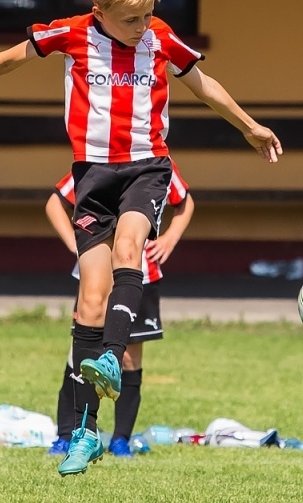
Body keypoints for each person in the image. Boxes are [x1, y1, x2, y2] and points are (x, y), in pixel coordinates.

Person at [0, 0, 282, 477]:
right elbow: (9, 58)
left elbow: (203, 85)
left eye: (145, 16)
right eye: (131, 19)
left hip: (146, 168)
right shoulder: (72, 34)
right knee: (90, 300)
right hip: (92, 177)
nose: (142, 27)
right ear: (99, 9)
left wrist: (249, 125)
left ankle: (113, 356)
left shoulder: (159, 37)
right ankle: (84, 432)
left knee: (129, 247)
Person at [45, 171, 194, 457]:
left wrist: (170, 237)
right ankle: (68, 434)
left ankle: (121, 438)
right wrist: (75, 245)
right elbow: (55, 201)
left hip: (140, 276)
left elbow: (185, 201)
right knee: (80, 353)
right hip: (95, 276)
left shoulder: (156, 162)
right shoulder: (97, 157)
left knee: (129, 356)